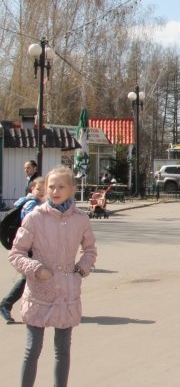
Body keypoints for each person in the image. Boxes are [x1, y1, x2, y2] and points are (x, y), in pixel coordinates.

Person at [9, 166, 97, 387]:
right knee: (33, 349)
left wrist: (81, 270)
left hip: (67, 293)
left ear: (71, 189)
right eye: (51, 186)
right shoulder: (34, 218)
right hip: (39, 292)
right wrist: (36, 269)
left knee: (63, 349)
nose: (55, 191)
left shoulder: (80, 219)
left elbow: (90, 250)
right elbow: (16, 253)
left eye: (61, 186)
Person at [0, 177, 46, 324]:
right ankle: (6, 304)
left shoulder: (27, 202)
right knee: (30, 278)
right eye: (39, 189)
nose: (42, 192)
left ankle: (38, 308)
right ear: (32, 189)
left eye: (44, 190)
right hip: (28, 248)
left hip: (27, 246)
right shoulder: (31, 204)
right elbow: (33, 224)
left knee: (35, 278)